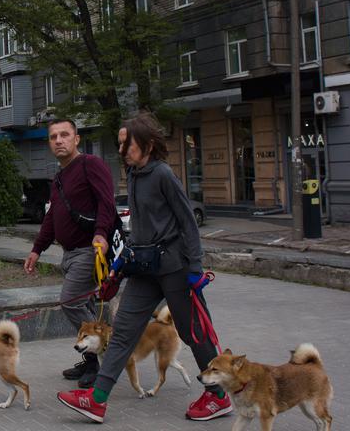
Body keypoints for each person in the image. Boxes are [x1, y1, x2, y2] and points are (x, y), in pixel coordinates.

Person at [57, 112, 231, 424]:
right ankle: (96, 399)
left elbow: (188, 222)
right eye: (120, 143)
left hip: (175, 268)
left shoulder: (163, 174)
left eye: (127, 143)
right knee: (123, 331)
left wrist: (194, 268)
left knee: (194, 333)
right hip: (144, 267)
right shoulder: (134, 175)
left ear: (148, 144)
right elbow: (140, 230)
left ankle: (218, 396)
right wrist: (120, 265)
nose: (122, 149)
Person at [23, 119, 116, 388]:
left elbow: (106, 203)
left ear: (76, 139)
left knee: (70, 302)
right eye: (53, 137)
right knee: (84, 306)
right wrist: (37, 248)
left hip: (90, 250)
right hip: (69, 253)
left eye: (65, 135)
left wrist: (100, 233)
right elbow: (53, 216)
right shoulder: (60, 177)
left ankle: (97, 361)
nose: (59, 140)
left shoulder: (91, 165)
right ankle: (96, 359)